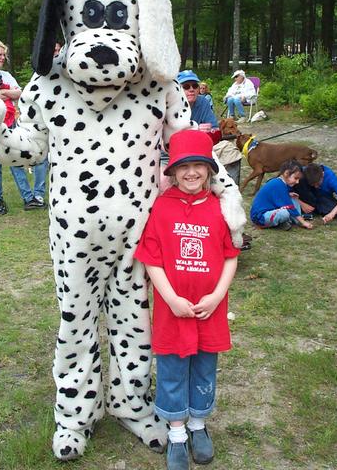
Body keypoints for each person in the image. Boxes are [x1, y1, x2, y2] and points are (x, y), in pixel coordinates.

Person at [134, 130, 239, 470]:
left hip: (210, 309)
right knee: (173, 370)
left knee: (205, 367)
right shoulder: (162, 207)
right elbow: (151, 258)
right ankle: (177, 432)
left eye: (198, 166)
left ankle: (198, 424)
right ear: (173, 171)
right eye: (183, 167)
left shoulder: (220, 209)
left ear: (209, 170)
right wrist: (171, 298)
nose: (191, 173)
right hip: (173, 310)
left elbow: (230, 256)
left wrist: (217, 295)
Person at [0, 40, 48, 214]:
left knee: (15, 160)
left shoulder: (6, 76)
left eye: (4, 54)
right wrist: (1, 95)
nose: (3, 57)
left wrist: (2, 93)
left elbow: (19, 93)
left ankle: (28, 198)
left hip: (9, 124)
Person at [250, 160, 313, 230]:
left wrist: (288, 195)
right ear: (286, 173)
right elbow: (289, 206)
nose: (297, 182)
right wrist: (303, 222)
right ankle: (262, 225)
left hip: (271, 211)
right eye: (296, 178)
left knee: (293, 198)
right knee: (285, 213)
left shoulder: (282, 184)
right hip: (260, 216)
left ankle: (293, 221)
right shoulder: (278, 184)